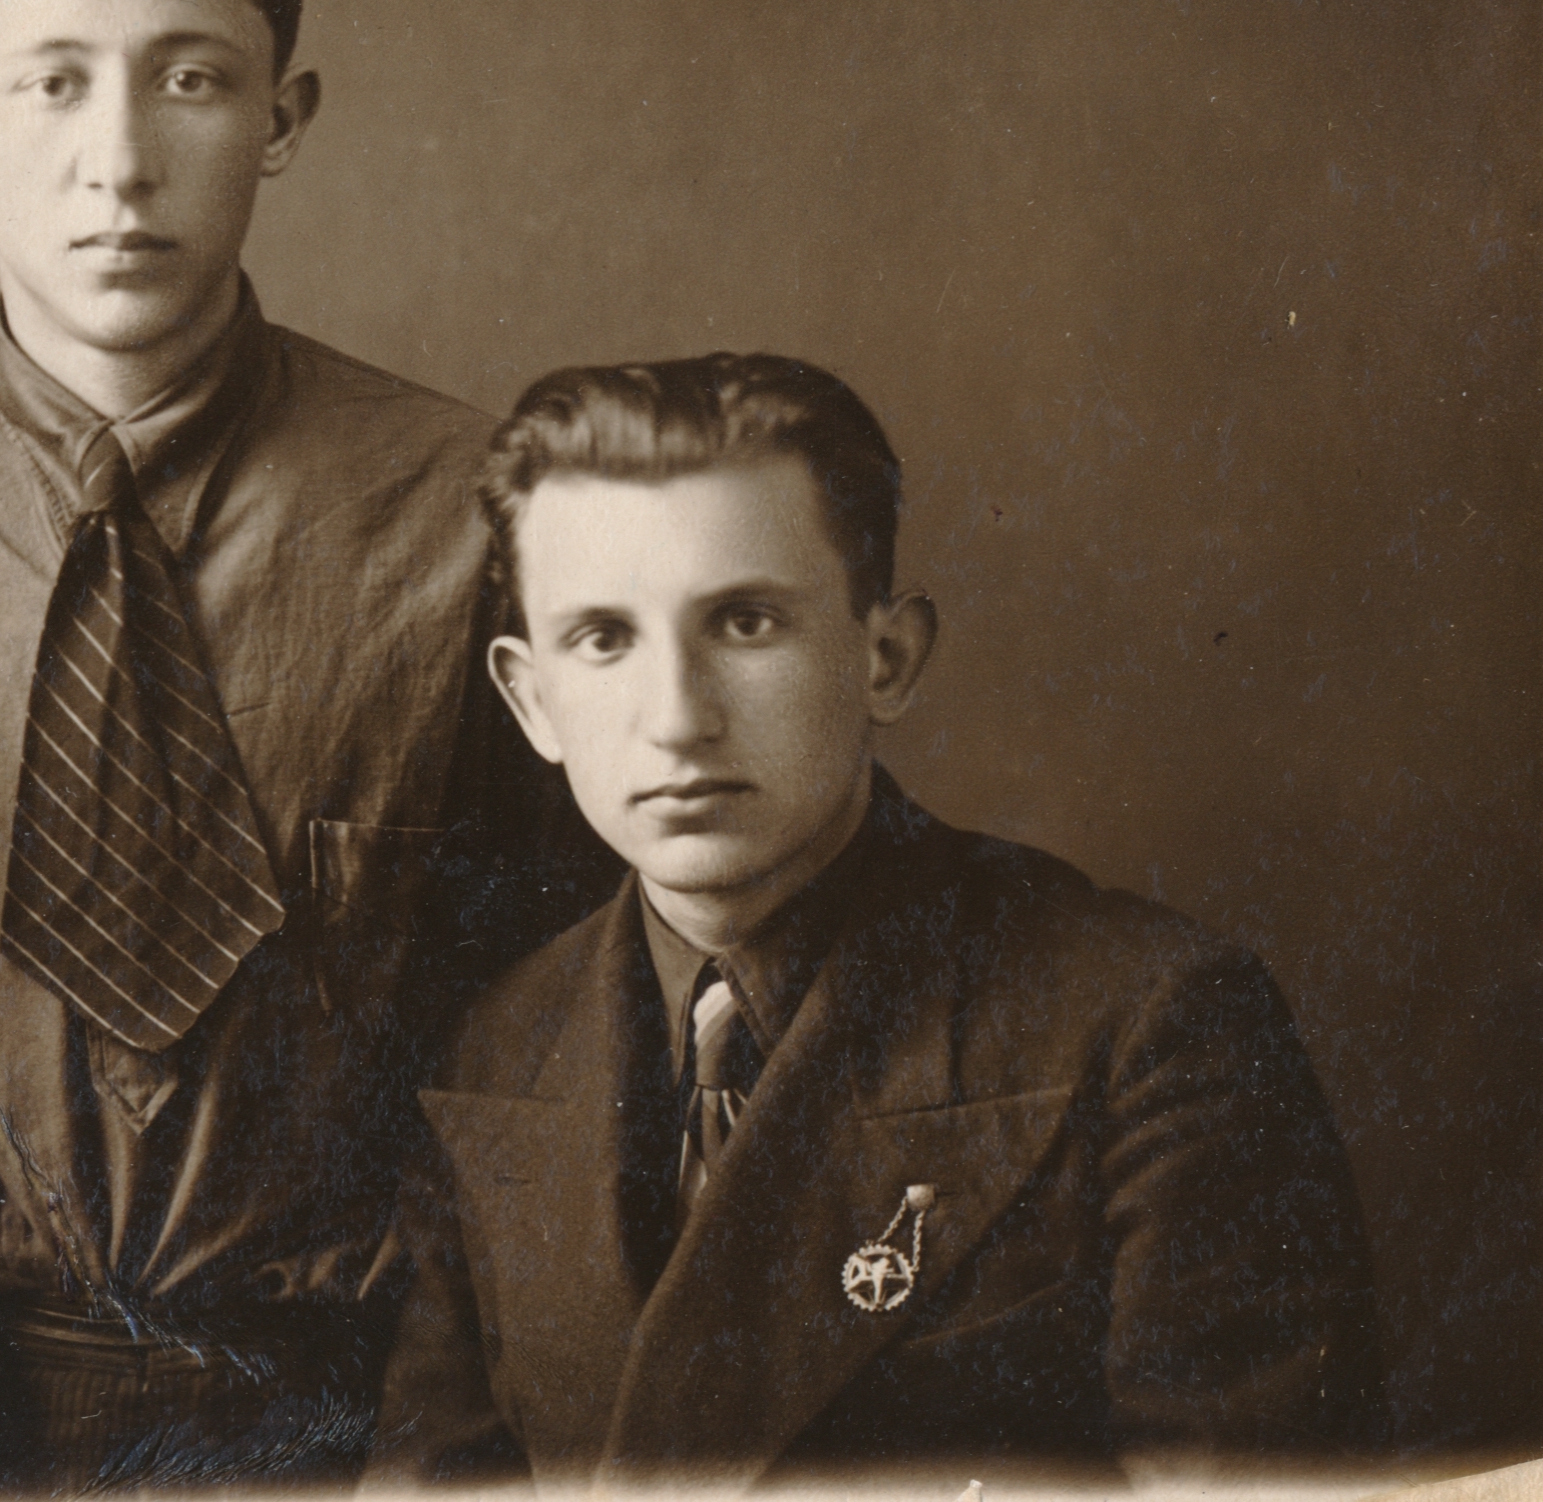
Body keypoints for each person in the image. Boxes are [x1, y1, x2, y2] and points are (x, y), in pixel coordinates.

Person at [0, 0, 606, 1487]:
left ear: (283, 116)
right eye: (49, 84)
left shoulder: (466, 507)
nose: (117, 161)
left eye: (189, 80)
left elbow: (571, 999)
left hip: (350, 1409)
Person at [370, 353, 1386, 1486]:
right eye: (603, 639)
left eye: (744, 622)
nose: (676, 719)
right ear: (530, 701)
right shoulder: (494, 1053)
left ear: (885, 658)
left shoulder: (1146, 1026)